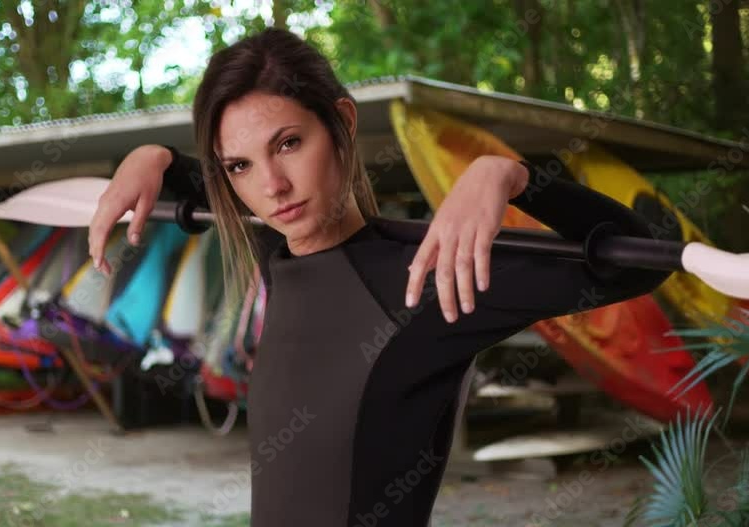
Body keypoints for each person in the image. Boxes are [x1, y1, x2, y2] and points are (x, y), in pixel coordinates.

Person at [88, 27, 671, 527]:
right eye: (240, 165)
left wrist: (510, 176)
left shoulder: (432, 280)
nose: (272, 187)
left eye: (289, 144)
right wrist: (155, 157)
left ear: (341, 122)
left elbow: (640, 258)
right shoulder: (281, 253)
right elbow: (204, 182)